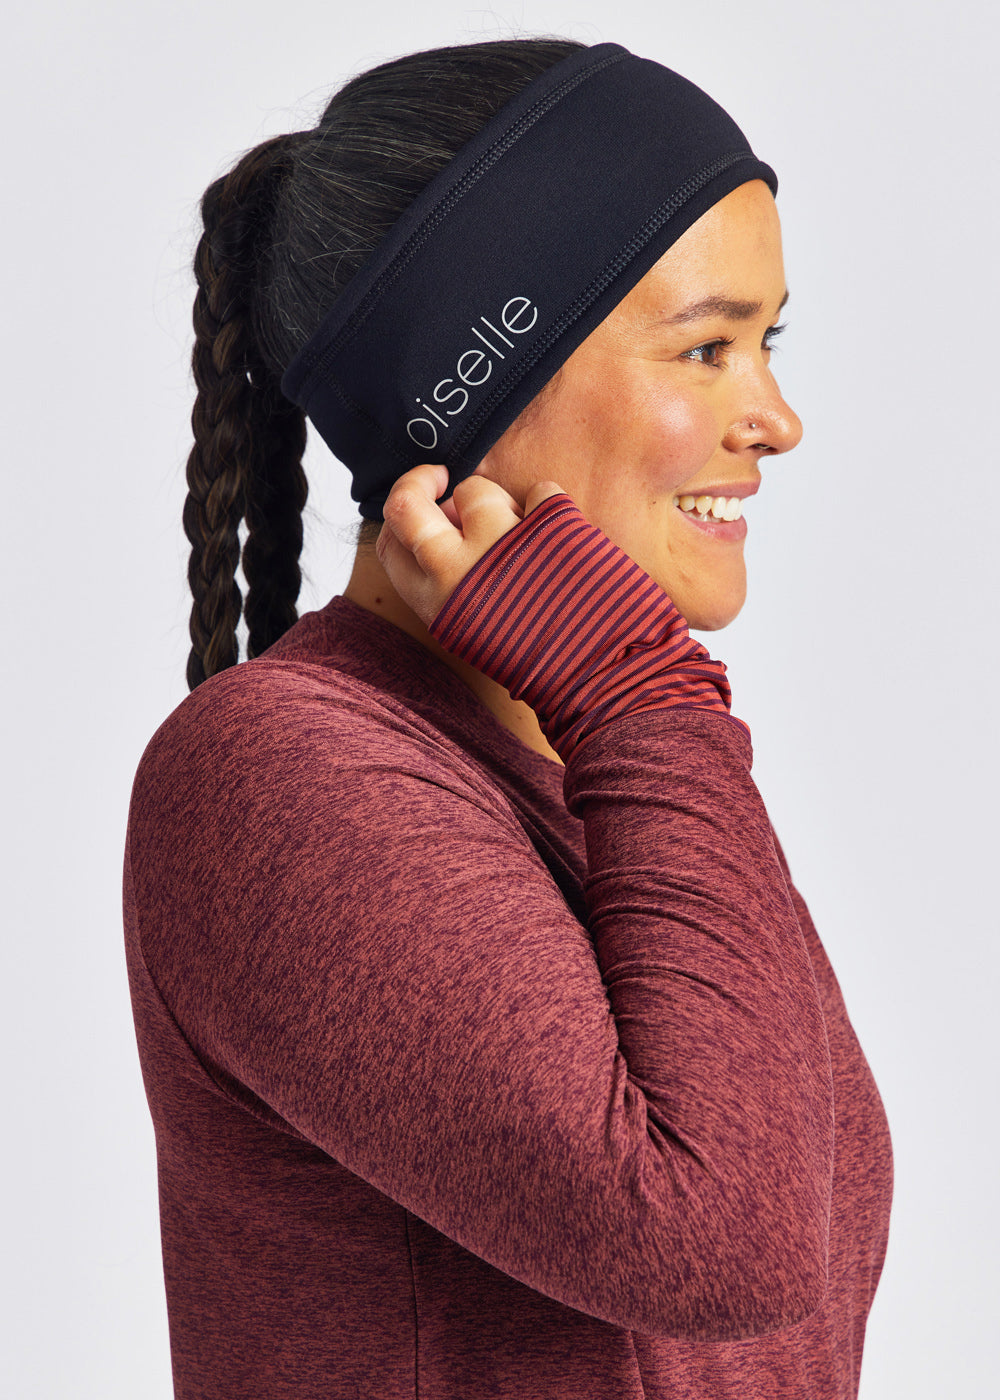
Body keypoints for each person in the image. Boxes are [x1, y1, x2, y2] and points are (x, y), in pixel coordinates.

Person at [124, 37, 893, 1400]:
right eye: (706, 348)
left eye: (766, 343)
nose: (776, 420)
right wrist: (636, 688)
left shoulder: (603, 757)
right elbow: (726, 1244)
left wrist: (622, 701)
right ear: (474, 381)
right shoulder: (288, 774)